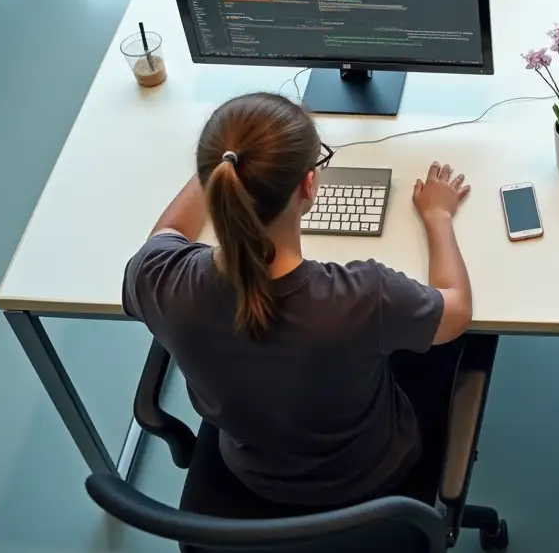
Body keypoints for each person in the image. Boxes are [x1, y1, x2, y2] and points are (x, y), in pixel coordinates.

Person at [121, 92, 475, 508]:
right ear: (309, 186)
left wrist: (221, 159)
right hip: (375, 478)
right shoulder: (363, 297)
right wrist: (439, 217)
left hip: (254, 477)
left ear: (213, 180)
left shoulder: (161, 278)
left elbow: (165, 237)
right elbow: (457, 310)